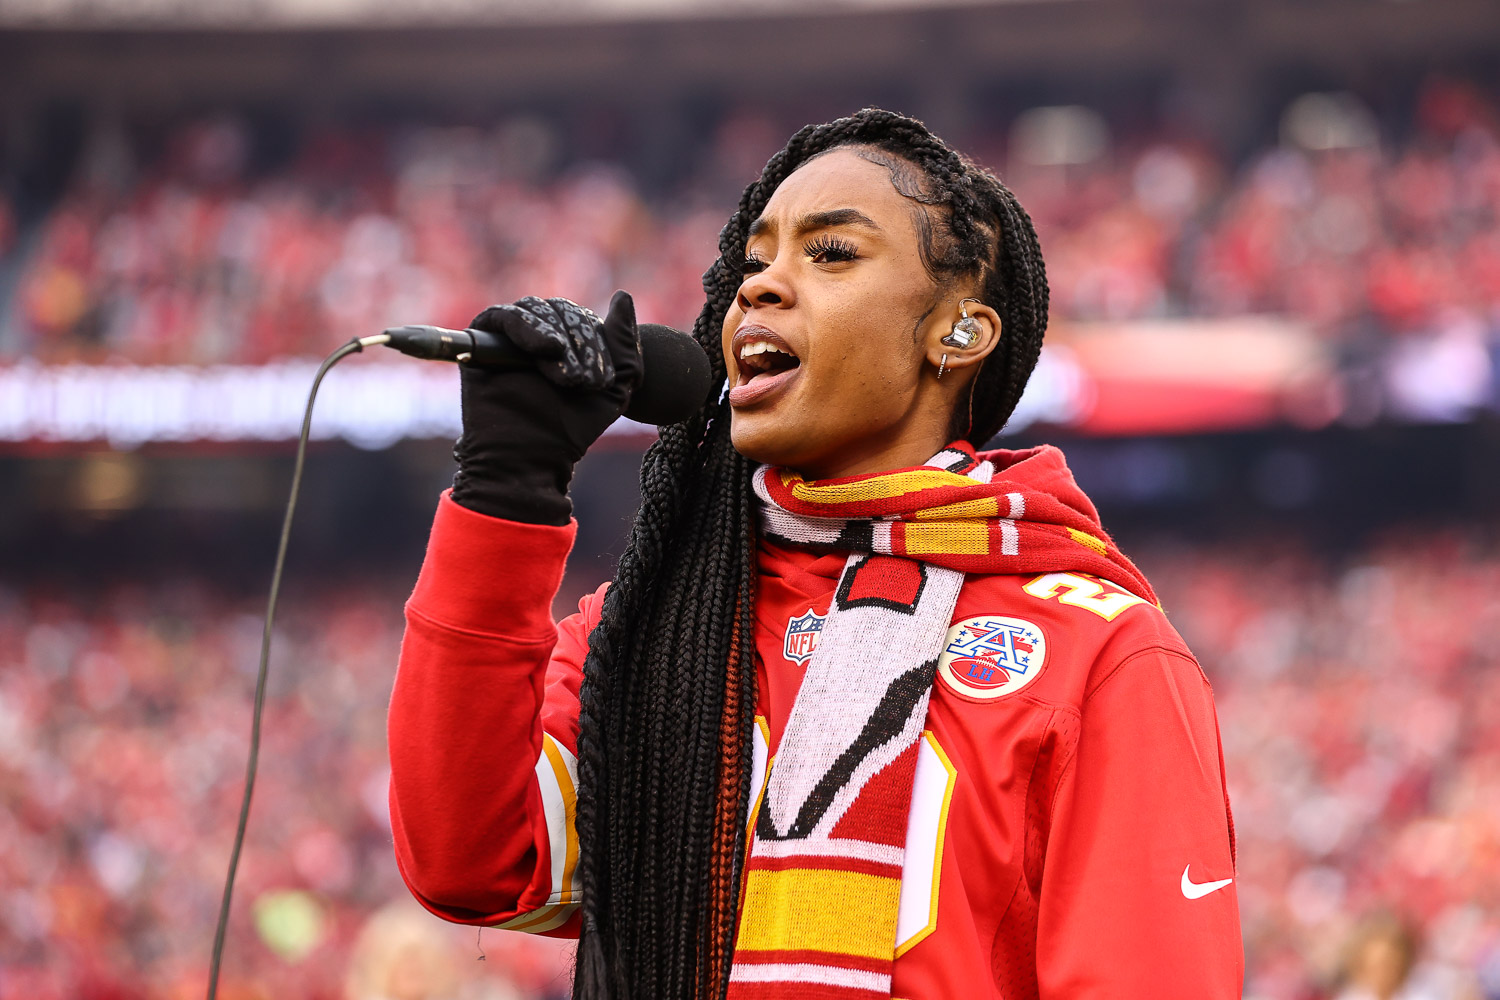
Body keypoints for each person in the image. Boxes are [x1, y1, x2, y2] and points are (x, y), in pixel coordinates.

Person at [387, 108, 1242, 1000]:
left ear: (958, 331)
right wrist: (507, 489)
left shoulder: (1101, 654)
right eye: (756, 263)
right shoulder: (651, 621)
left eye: (830, 254)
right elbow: (468, 859)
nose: (760, 287)